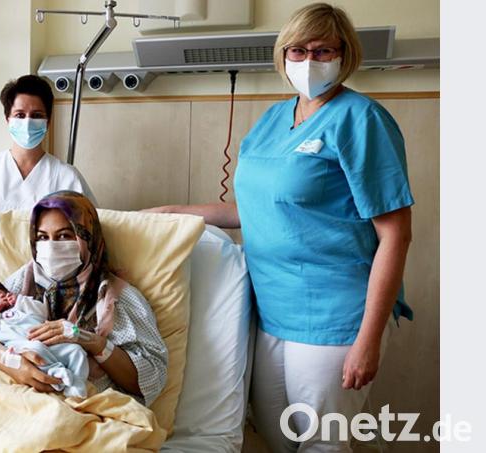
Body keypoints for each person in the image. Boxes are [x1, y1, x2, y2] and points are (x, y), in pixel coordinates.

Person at [147, 3, 414, 451]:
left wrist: (368, 339)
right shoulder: (273, 119)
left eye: (323, 50)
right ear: (283, 55)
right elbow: (256, 210)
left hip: (335, 314)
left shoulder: (361, 119)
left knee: (322, 443)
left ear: (344, 55)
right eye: (298, 50)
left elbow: (396, 233)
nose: (309, 61)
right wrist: (174, 212)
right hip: (270, 310)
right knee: (276, 437)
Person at [0, 191, 167, 406]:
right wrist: (10, 362)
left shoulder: (117, 297)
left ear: (87, 237)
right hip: (16, 396)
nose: (51, 246)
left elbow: (151, 378)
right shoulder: (25, 279)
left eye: (64, 236)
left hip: (85, 404)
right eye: (42, 237)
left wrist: (87, 340)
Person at [0, 75, 96, 286]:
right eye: (20, 115)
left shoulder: (67, 177)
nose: (28, 122)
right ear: (8, 119)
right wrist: (2, 247)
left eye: (37, 115)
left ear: (48, 121)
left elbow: (92, 234)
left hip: (47, 291)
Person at [0, 280, 89, 398]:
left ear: (6, 292)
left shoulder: (21, 304)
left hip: (49, 342)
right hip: (27, 349)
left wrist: (19, 301)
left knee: (76, 351)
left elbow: (42, 312)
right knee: (37, 348)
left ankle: (77, 384)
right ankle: (55, 372)